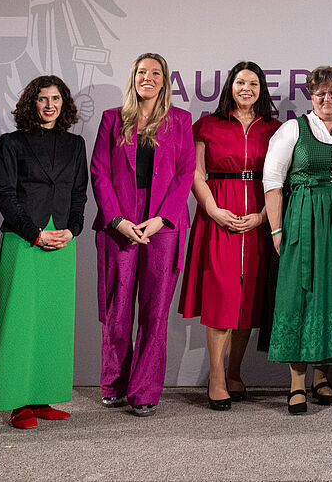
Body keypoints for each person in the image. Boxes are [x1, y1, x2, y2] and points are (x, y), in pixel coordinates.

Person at [91, 52, 196, 417]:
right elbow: (99, 174)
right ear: (132, 77)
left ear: (165, 81)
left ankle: (145, 391)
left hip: (163, 225)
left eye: (155, 73)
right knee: (118, 308)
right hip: (119, 220)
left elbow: (186, 174)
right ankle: (113, 383)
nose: (147, 77)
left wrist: (161, 219)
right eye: (141, 72)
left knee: (155, 311)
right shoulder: (111, 119)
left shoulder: (181, 120)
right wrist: (117, 219)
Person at [263, 66, 332, 414]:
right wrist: (277, 230)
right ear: (311, 96)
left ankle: (322, 377)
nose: (328, 98)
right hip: (303, 219)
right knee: (301, 296)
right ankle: (296, 383)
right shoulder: (293, 129)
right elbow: (273, 183)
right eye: (321, 92)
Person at [0, 76, 88, 429]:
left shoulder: (75, 145)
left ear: (64, 103)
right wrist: (34, 233)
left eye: (55, 98)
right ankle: (16, 403)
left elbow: (79, 194)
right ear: (31, 103)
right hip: (24, 239)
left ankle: (42, 397)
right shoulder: (11, 143)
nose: (49, 105)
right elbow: (4, 193)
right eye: (42, 99)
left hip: (61, 240)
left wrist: (72, 230)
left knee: (51, 323)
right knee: (19, 324)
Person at [178, 61, 280, 410]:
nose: (246, 89)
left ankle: (234, 371)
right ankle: (217, 378)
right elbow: (196, 172)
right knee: (221, 298)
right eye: (240, 82)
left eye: (253, 83)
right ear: (230, 87)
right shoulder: (207, 125)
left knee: (248, 299)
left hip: (258, 218)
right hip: (217, 216)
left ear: (261, 89)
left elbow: (282, 178)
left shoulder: (275, 128)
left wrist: (264, 217)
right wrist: (213, 210)